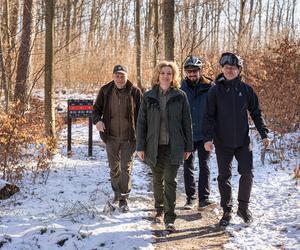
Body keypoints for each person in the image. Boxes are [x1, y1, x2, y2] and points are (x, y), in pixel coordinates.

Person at [203, 52, 270, 226]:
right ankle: (226, 211)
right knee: (224, 176)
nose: (229, 70)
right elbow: (208, 116)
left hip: (242, 141)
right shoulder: (215, 91)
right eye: (226, 68)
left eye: (233, 68)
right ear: (222, 69)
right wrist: (207, 138)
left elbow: (256, 113)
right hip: (222, 141)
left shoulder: (247, 90)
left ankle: (243, 208)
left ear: (239, 70)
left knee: (247, 173)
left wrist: (264, 134)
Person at [136, 61, 193, 232]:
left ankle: (170, 218)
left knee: (170, 181)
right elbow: (141, 123)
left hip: (174, 146)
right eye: (163, 73)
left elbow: (187, 123)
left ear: (173, 76)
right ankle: (159, 207)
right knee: (157, 180)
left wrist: (188, 147)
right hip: (154, 146)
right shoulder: (148, 96)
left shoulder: (180, 96)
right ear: (158, 75)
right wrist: (140, 146)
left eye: (169, 73)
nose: (166, 76)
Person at [93, 64, 142, 212]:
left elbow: (142, 115)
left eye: (122, 76)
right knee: (114, 168)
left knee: (125, 168)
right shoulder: (105, 90)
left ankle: (124, 198)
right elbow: (96, 110)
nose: (120, 79)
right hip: (111, 137)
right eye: (117, 76)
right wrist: (98, 121)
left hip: (129, 138)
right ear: (113, 76)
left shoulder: (135, 92)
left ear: (127, 76)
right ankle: (116, 192)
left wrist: (142, 134)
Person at [180, 56, 214, 210]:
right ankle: (190, 198)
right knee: (188, 165)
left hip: (205, 133)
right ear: (186, 72)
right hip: (187, 134)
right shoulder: (181, 88)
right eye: (189, 71)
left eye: (195, 71)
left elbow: (216, 110)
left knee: (204, 165)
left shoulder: (210, 87)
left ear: (200, 71)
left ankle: (204, 199)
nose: (192, 74)